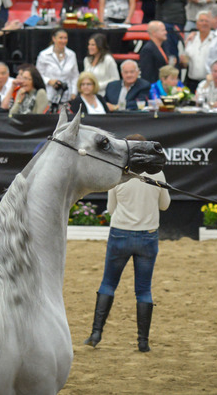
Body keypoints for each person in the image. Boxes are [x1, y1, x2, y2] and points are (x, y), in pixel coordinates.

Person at [82, 132, 169, 353]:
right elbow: (165, 205)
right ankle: (143, 342)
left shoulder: (120, 173)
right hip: (147, 235)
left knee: (108, 284)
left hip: (120, 233)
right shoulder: (157, 173)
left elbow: (111, 209)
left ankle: (96, 333)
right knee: (143, 290)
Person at [35, 27, 79, 101]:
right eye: (60, 38)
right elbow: (38, 75)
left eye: (65, 38)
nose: (63, 41)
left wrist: (74, 93)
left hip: (67, 96)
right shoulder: (44, 54)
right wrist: (49, 81)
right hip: (49, 95)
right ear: (54, 38)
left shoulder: (71, 54)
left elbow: (75, 76)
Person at [181, 9, 216, 91]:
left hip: (209, 82)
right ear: (197, 24)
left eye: (206, 21)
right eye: (201, 21)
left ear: (211, 23)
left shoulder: (216, 39)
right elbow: (185, 62)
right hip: (191, 83)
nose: (204, 23)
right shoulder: (191, 39)